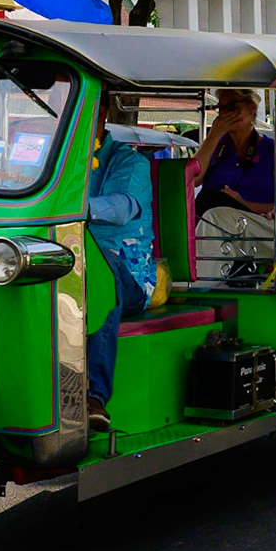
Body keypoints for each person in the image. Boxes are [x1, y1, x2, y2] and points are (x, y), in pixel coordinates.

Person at [84, 99, 155, 430]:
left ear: (100, 112)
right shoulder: (58, 159)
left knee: (101, 270)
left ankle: (94, 394)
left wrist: (74, 207)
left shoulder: (130, 162)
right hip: (73, 262)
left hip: (130, 276)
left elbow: (122, 207)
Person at [194, 89, 274, 242]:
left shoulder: (272, 150)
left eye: (232, 107)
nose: (225, 114)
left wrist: (241, 203)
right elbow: (193, 178)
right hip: (211, 221)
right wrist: (214, 135)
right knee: (208, 197)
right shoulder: (217, 146)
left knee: (210, 198)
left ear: (251, 108)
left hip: (253, 223)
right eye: (221, 108)